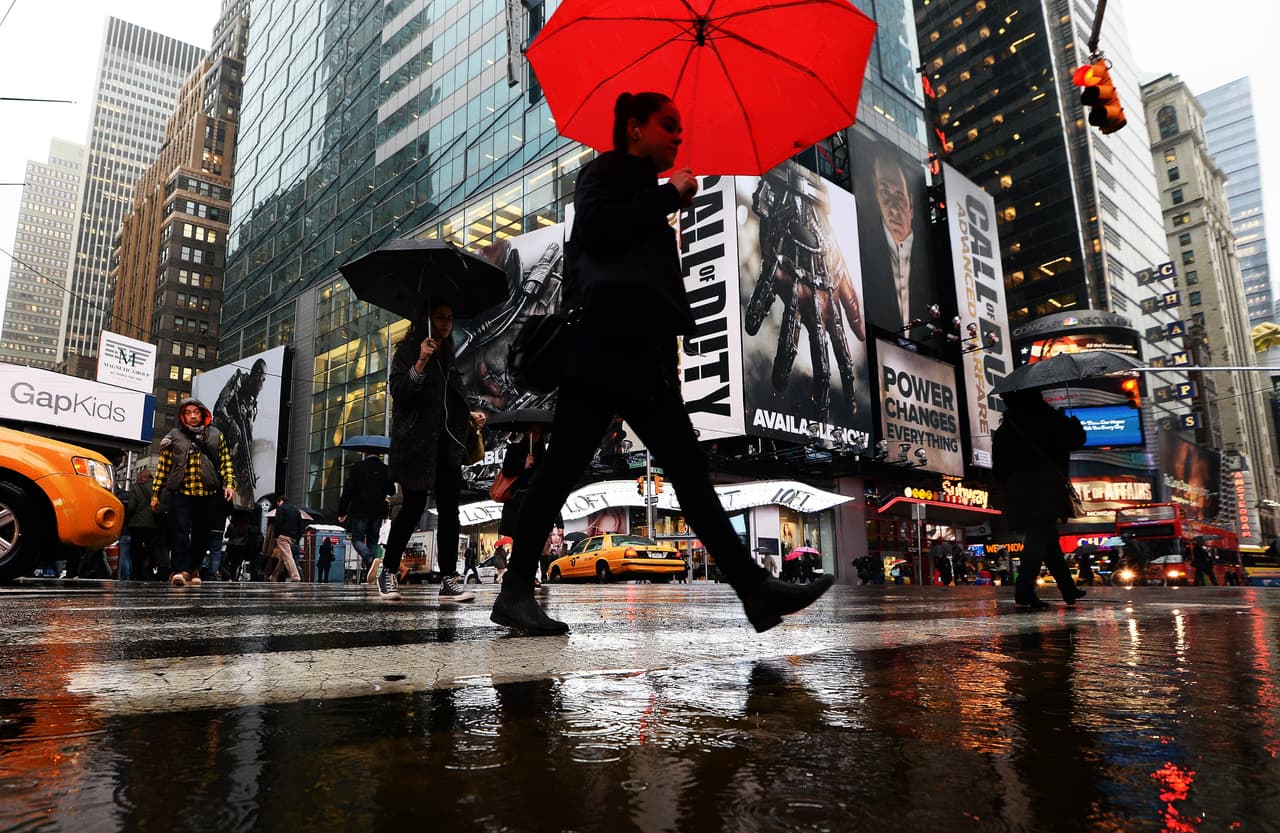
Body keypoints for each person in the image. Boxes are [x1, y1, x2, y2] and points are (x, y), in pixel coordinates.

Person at [490, 91, 834, 636]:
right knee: (570, 475)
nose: (678, 135)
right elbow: (595, 228)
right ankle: (754, 591)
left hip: (640, 356)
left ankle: (755, 591)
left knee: (681, 475)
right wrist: (667, 196)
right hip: (606, 351)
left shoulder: (641, 190)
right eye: (667, 125)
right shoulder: (606, 173)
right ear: (634, 129)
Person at [379, 299, 488, 603]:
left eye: (450, 318)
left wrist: (469, 415)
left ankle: (449, 578)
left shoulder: (448, 356)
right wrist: (420, 363)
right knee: (413, 507)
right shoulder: (409, 351)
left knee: (450, 510)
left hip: (446, 445)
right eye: (440, 317)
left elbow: (450, 400)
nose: (446, 323)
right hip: (417, 445)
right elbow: (400, 392)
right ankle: (388, 570)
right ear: (426, 318)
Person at [991, 388, 1087, 609]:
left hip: (1017, 492)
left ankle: (1068, 588)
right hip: (1046, 489)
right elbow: (1076, 440)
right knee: (1038, 536)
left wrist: (1009, 488)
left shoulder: (1007, 428)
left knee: (1048, 540)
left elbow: (998, 468)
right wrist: (1074, 424)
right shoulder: (1047, 419)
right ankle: (1024, 589)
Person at [151, 399, 237, 587]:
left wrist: (230, 485)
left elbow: (226, 463)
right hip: (181, 492)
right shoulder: (174, 436)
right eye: (188, 412)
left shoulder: (216, 435)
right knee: (179, 531)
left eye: (196, 412)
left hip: (208, 494)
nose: (192, 416)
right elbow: (163, 467)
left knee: (202, 533)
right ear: (183, 415)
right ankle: (181, 570)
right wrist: (156, 494)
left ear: (203, 414)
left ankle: (194, 568)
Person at [855, 139, 933, 333]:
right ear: (876, 196)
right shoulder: (863, 251)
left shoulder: (931, 259)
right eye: (885, 193)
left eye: (899, 196)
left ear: (911, 204)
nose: (894, 209)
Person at [213, 357, 267, 507]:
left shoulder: (252, 404)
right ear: (256, 374)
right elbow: (219, 408)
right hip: (222, 443)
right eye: (262, 379)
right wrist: (232, 424)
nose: (262, 385)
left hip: (238, 454)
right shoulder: (238, 381)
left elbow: (248, 436)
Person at [337, 451, 394, 574]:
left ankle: (369, 559)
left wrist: (342, 511)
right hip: (378, 511)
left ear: (366, 452)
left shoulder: (357, 468)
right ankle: (371, 573)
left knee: (357, 540)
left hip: (360, 510)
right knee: (373, 541)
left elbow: (348, 491)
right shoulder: (385, 469)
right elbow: (392, 490)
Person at [123, 469, 163, 581]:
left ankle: (137, 573)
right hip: (152, 524)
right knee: (151, 548)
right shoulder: (157, 489)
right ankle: (150, 572)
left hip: (136, 525)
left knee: (136, 549)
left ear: (142, 478)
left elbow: (131, 506)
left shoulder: (135, 488)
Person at [265, 495, 303, 582]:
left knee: (287, 557)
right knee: (283, 558)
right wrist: (298, 537)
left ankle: (295, 576)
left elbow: (278, 522)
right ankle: (274, 576)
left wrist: (276, 534)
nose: (278, 505)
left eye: (278, 503)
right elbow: (300, 525)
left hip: (283, 536)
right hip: (293, 537)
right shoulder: (296, 511)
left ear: (281, 501)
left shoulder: (281, 508)